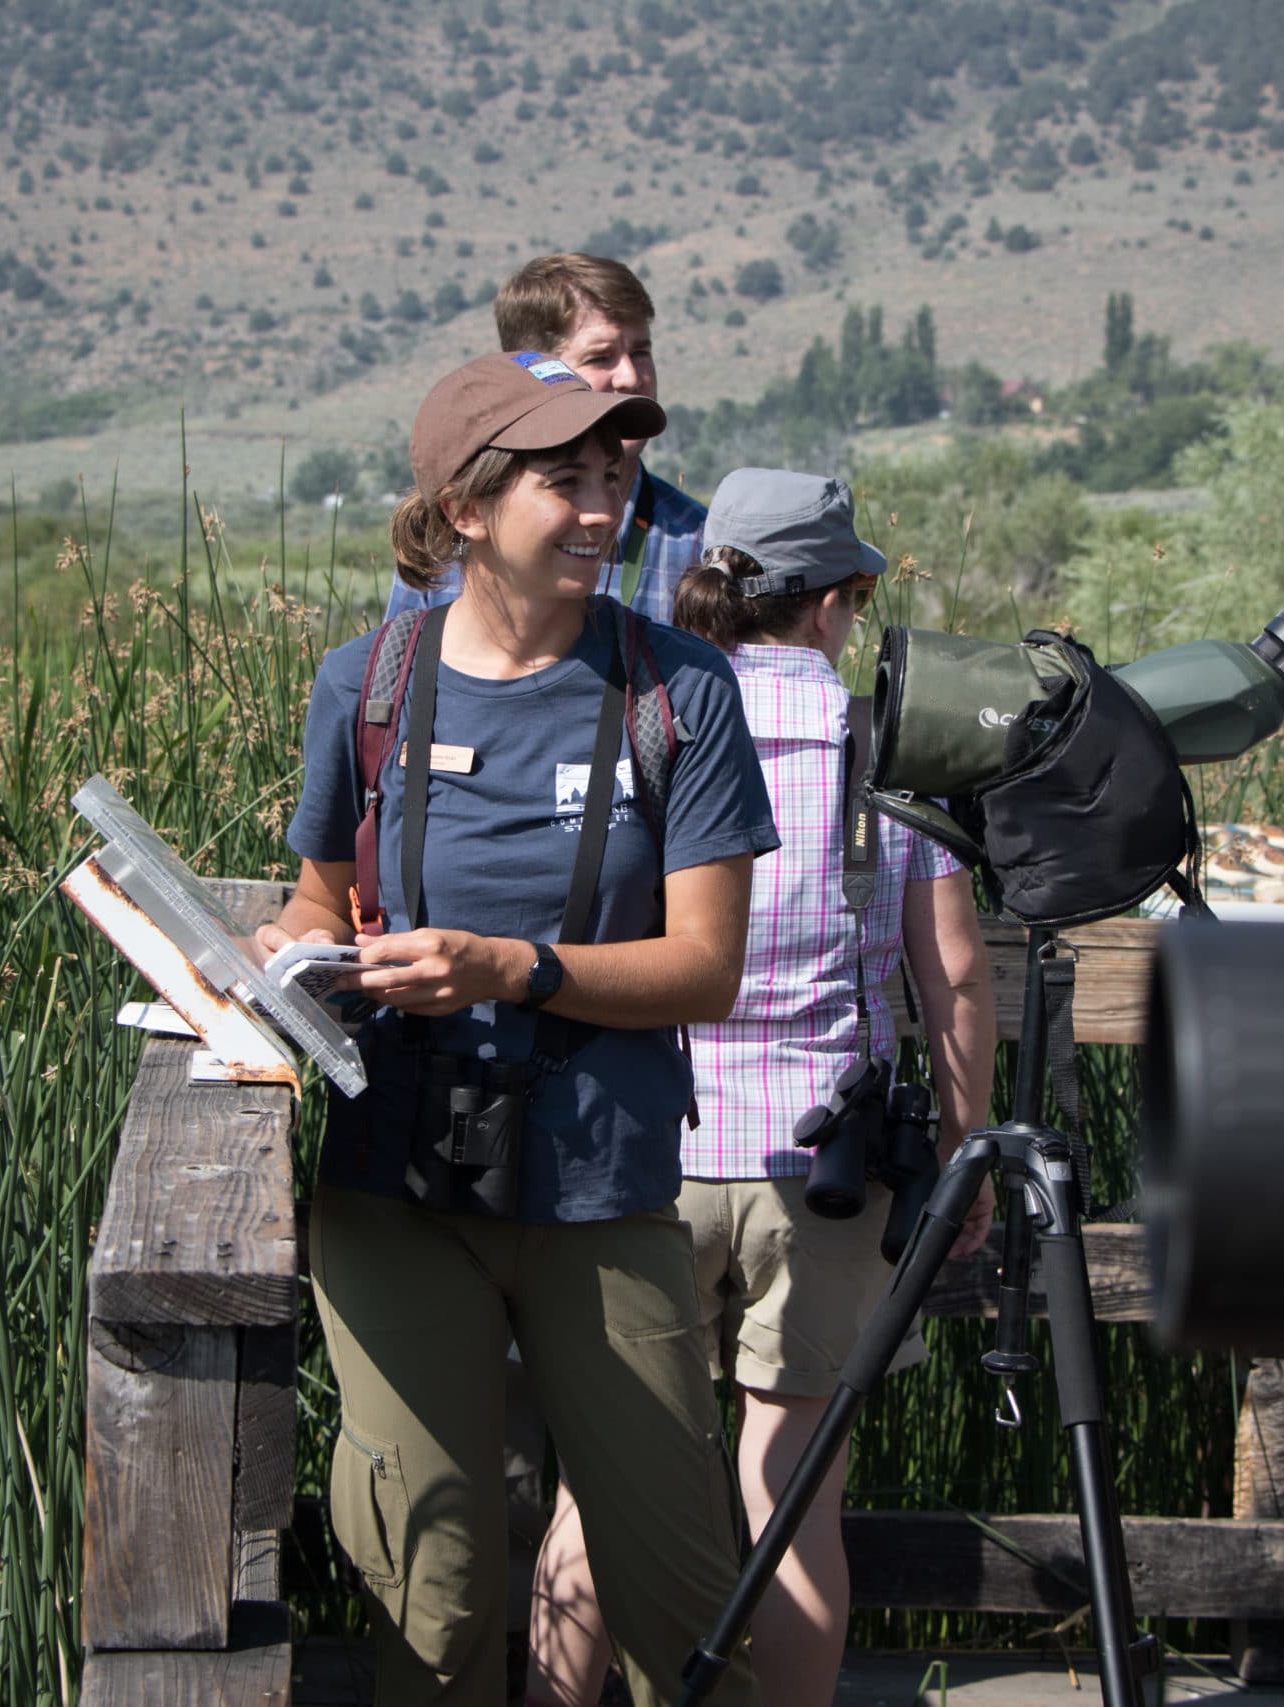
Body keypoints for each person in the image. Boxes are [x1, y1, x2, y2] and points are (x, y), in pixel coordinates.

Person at [262, 349, 779, 1707]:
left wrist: (511, 965)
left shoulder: (680, 691)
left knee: (682, 1598)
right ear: (467, 505)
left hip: (602, 1189)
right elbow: (318, 898)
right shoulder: (363, 685)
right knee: (427, 1597)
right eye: (568, 477)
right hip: (392, 1189)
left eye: (616, 472)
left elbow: (706, 968)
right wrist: (280, 959)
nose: (606, 503)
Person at [524, 469, 1002, 1707]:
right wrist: (961, 1154)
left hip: (642, 1162)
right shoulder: (884, 751)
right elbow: (953, 977)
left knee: (596, 1489)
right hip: (823, 1174)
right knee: (795, 1500)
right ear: (839, 600)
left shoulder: (641, 720)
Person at [388, 253, 707, 626]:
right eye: (601, 357)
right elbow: (396, 673)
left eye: (641, 352)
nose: (631, 377)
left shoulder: (699, 543)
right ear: (533, 370)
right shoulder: (452, 538)